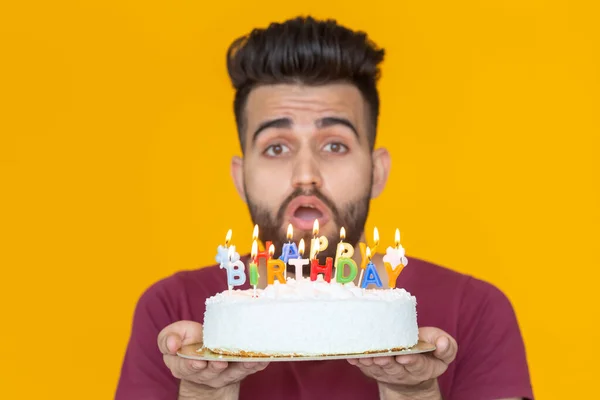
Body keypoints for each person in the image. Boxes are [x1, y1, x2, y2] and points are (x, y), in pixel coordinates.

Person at [115, 16, 533, 400]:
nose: (305, 174)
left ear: (377, 170)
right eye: (276, 147)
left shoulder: (476, 311)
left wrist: (414, 392)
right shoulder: (174, 316)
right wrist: (202, 393)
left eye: (334, 145)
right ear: (240, 178)